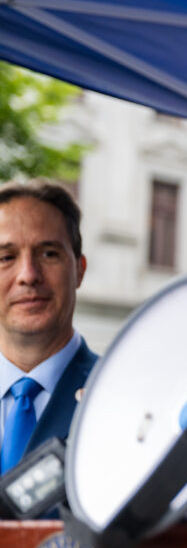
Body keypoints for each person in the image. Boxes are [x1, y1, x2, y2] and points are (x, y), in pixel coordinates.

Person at [0, 180, 97, 474]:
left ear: (79, 270)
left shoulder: (121, 395)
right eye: (6, 257)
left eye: (49, 254)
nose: (28, 275)